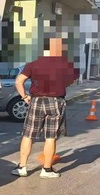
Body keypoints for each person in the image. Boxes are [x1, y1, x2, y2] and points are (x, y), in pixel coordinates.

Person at [12, 37, 79, 179]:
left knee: (28, 134)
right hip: (56, 101)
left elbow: (19, 81)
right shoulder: (67, 64)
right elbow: (72, 81)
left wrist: (24, 97)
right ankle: (46, 170)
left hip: (36, 101)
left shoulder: (33, 63)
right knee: (51, 137)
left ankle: (22, 167)